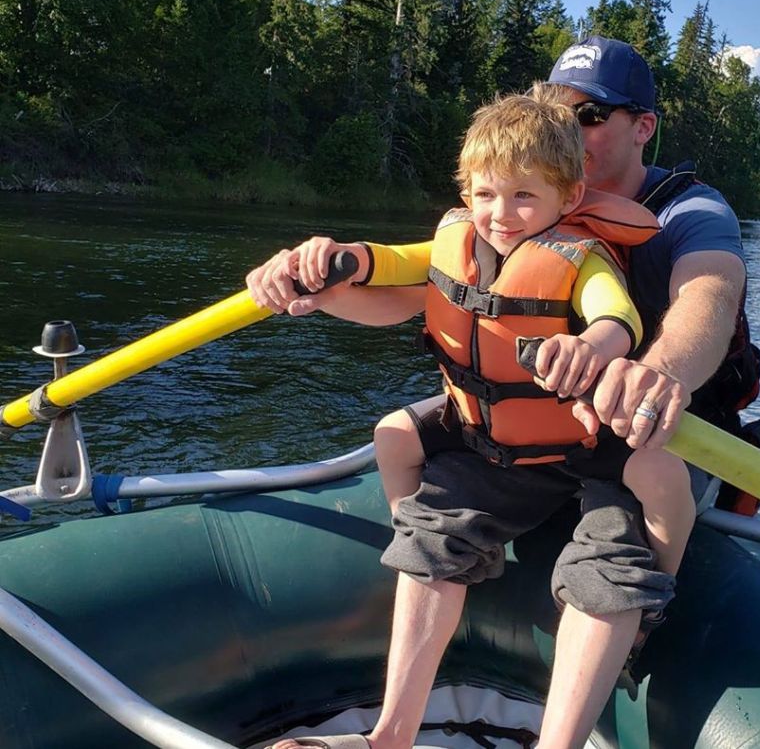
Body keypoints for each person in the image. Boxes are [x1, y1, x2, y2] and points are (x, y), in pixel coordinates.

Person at [250, 91, 689, 749]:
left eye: (522, 197)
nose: (499, 215)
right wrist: (323, 266)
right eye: (485, 194)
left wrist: (588, 349)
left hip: (596, 453)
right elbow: (383, 262)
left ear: (568, 198)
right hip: (497, 454)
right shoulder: (458, 240)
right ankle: (390, 736)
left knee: (607, 574)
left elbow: (615, 319)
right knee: (427, 536)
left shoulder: (583, 259)